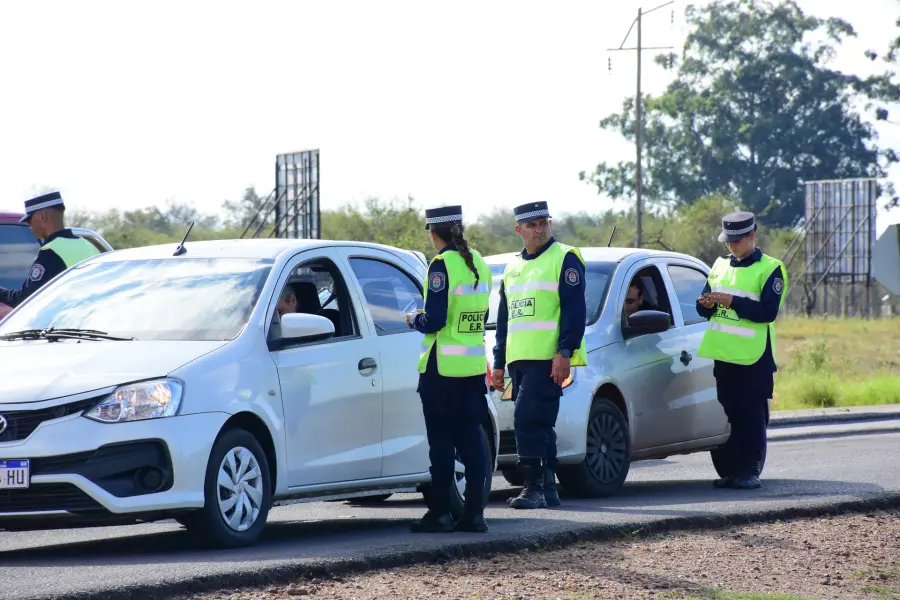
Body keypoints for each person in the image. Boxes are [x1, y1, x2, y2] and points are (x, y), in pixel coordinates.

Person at [491, 201, 587, 509]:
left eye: (543, 222)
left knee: (526, 419)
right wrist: (498, 362)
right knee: (541, 423)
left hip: (548, 358)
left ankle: (533, 486)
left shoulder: (565, 258)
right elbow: (505, 320)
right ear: (519, 230)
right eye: (531, 225)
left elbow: (575, 310)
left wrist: (564, 353)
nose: (539, 229)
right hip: (519, 360)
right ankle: (548, 488)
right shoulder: (512, 267)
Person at [404, 205, 493, 533]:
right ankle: (475, 514)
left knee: (441, 444)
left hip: (441, 370)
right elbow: (480, 318)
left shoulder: (441, 265)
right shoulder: (479, 263)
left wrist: (414, 318)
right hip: (471, 368)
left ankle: (440, 513)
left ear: (432, 233)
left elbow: (436, 320)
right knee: (472, 443)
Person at [696, 211, 787, 490]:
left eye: (737, 240)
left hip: (754, 356)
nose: (732, 246)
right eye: (728, 241)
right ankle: (735, 471)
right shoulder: (719, 266)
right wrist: (707, 304)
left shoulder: (771, 268)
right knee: (732, 412)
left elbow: (768, 312)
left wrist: (732, 301)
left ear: (752, 235)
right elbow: (702, 308)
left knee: (751, 413)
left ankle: (751, 470)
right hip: (724, 355)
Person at [0, 192, 100, 309]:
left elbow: (27, 300)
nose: (28, 225)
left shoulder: (51, 251)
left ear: (43, 217)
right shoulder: (88, 245)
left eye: (30, 220)